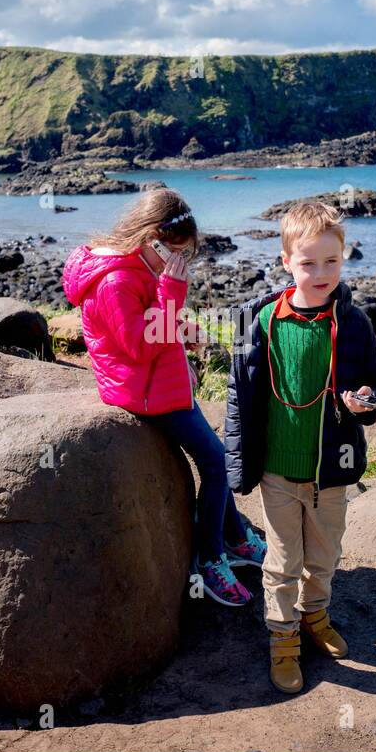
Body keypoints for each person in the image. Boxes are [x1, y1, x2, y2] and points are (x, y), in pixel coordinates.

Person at [62, 188, 266, 607]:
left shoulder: (137, 263)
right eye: (174, 254)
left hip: (157, 379)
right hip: (141, 390)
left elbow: (149, 327)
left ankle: (234, 537)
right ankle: (210, 560)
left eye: (184, 256)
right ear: (150, 237)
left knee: (215, 457)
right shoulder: (116, 280)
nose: (179, 263)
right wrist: (172, 290)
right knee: (215, 462)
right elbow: (137, 345)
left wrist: (180, 334)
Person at [225, 201, 376, 692]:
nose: (321, 273)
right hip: (276, 470)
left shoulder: (354, 322)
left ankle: (315, 616)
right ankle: (282, 636)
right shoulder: (258, 321)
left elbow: (372, 384)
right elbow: (238, 395)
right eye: (308, 262)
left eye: (331, 262)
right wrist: (237, 464)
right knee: (280, 561)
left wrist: (365, 404)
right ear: (286, 262)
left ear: (344, 258)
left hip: (331, 472)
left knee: (324, 556)